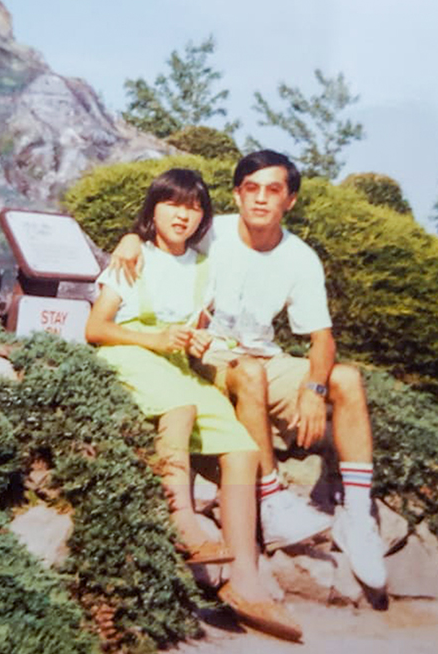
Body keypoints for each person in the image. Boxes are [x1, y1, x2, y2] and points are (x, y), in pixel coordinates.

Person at [111, 151, 389, 604]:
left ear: (290, 200)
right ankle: (273, 498)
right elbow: (159, 232)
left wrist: (315, 390)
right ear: (238, 194)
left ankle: (358, 515)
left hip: (260, 357)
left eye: (273, 190)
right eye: (251, 189)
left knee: (348, 380)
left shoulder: (300, 257)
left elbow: (322, 338)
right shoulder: (210, 230)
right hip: (207, 355)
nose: (260, 199)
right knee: (252, 371)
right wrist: (126, 238)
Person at [85, 168, 302, 642]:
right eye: (172, 204)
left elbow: (195, 330)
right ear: (152, 209)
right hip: (129, 353)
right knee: (180, 406)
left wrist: (197, 344)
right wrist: (156, 337)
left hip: (177, 365)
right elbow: (95, 329)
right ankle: (182, 518)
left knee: (243, 450)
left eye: (194, 206)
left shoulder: (203, 268)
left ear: (203, 215)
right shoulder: (133, 256)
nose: (183, 215)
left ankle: (245, 578)